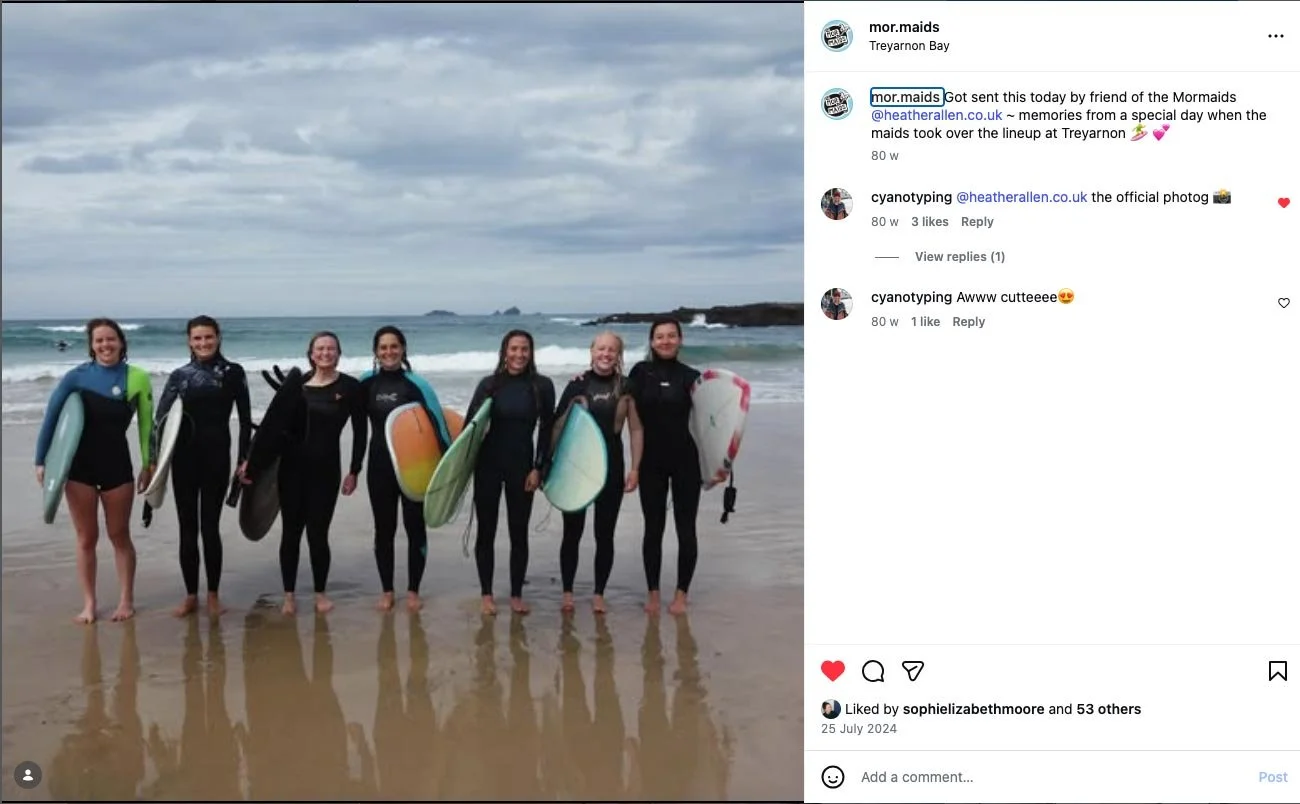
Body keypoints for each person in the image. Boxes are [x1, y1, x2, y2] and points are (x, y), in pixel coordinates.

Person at [35, 318, 154, 624]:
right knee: (86, 537)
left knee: (119, 535)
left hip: (117, 467)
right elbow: (52, 419)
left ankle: (126, 600)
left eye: (110, 339)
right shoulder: (76, 377)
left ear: (121, 342)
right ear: (91, 345)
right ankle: (89, 603)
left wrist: (149, 463)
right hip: (79, 469)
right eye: (99, 340)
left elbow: (145, 426)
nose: (105, 345)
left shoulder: (137, 377)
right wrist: (42, 461)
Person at [151, 315, 253, 618]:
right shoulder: (179, 375)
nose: (203, 343)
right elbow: (160, 422)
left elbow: (245, 420)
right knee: (187, 528)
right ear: (189, 341)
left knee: (210, 527)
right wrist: (155, 464)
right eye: (197, 338)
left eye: (208, 337)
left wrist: (243, 459)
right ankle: (190, 595)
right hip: (184, 459)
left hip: (217, 458)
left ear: (218, 337)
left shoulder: (233, 373)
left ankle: (213, 596)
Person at [358, 326, 452, 613]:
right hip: (379, 467)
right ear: (376, 352)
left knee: (415, 528)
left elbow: (439, 427)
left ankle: (413, 591)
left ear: (403, 349)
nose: (389, 352)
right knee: (383, 530)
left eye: (394, 346)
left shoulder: (417, 385)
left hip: (417, 469)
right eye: (383, 347)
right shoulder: (365, 383)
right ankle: (387, 590)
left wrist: (449, 468)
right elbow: (349, 420)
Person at [274, 332, 366, 615]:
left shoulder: (350, 387)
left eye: (331, 348)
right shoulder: (295, 386)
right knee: (290, 533)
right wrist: (253, 465)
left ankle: (319, 593)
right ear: (311, 354)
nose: (325, 353)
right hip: (290, 469)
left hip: (325, 471)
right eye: (320, 348)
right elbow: (274, 429)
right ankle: (288, 595)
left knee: (318, 533)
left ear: (338, 353)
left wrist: (354, 470)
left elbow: (361, 431)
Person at [466, 329, 556, 615]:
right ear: (504, 351)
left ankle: (516, 594)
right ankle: (487, 594)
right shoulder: (489, 385)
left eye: (524, 349)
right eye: (514, 349)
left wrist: (539, 468)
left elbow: (547, 429)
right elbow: (471, 427)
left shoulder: (541, 386)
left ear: (531, 353)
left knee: (519, 533)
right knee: (486, 531)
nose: (519, 354)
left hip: (522, 468)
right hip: (488, 466)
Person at [553, 331, 644, 614]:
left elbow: (636, 428)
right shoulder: (577, 385)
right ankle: (568, 591)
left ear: (619, 355)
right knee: (572, 532)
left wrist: (635, 468)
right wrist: (547, 467)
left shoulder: (627, 387)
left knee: (605, 534)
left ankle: (598, 593)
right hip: (576, 466)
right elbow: (557, 427)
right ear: (591, 351)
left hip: (611, 466)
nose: (606, 354)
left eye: (612, 350)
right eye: (601, 349)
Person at [627, 317, 702, 616]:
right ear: (652, 341)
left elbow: (712, 423)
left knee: (686, 529)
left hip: (686, 462)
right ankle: (654, 593)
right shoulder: (639, 373)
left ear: (680, 340)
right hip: (651, 463)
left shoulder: (693, 377)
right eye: (660, 336)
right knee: (653, 529)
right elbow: (617, 396)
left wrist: (719, 465)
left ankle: (682, 593)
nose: (666, 341)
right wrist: (582, 379)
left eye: (672, 336)